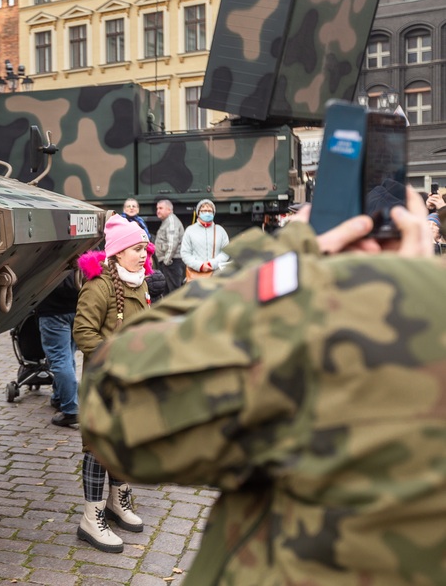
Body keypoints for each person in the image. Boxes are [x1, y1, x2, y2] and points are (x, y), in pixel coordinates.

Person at [78, 188, 446, 585]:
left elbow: (117, 405)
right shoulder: (426, 313)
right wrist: (420, 287)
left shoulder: (293, 333)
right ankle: (100, 506)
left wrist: (274, 268)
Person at [71, 213, 150, 553]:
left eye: (145, 247)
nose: (144, 253)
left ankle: (118, 502)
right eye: (137, 248)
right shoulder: (99, 287)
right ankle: (91, 517)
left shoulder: (139, 280)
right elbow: (83, 333)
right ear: (118, 253)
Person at [36, 271, 80, 427]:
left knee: (60, 359)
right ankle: (59, 396)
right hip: (78, 307)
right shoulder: (83, 246)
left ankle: (70, 409)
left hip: (53, 309)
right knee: (67, 356)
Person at [180, 198, 229, 278]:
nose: (207, 213)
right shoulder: (190, 230)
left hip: (216, 275)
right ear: (198, 213)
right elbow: (185, 253)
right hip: (196, 277)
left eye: (210, 211)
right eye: (204, 211)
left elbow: (226, 251)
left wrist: (212, 264)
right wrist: (200, 266)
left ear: (213, 213)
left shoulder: (220, 230)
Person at [153, 199, 185, 292]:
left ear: (169, 210)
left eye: (161, 208)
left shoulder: (171, 221)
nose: (158, 211)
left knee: (173, 292)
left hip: (171, 262)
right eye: (157, 208)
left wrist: (166, 261)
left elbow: (172, 242)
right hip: (170, 262)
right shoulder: (167, 221)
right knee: (168, 291)